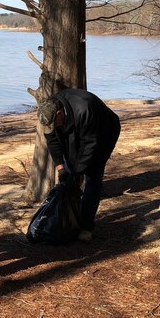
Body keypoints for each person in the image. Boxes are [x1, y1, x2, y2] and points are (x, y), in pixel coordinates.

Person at [36, 89, 121, 241]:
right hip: (79, 129)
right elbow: (53, 141)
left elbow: (90, 146)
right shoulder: (50, 110)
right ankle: (69, 219)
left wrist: (77, 172)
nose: (52, 127)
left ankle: (86, 226)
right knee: (68, 174)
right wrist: (61, 168)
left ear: (59, 113)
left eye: (53, 123)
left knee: (92, 177)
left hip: (103, 133)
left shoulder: (84, 108)